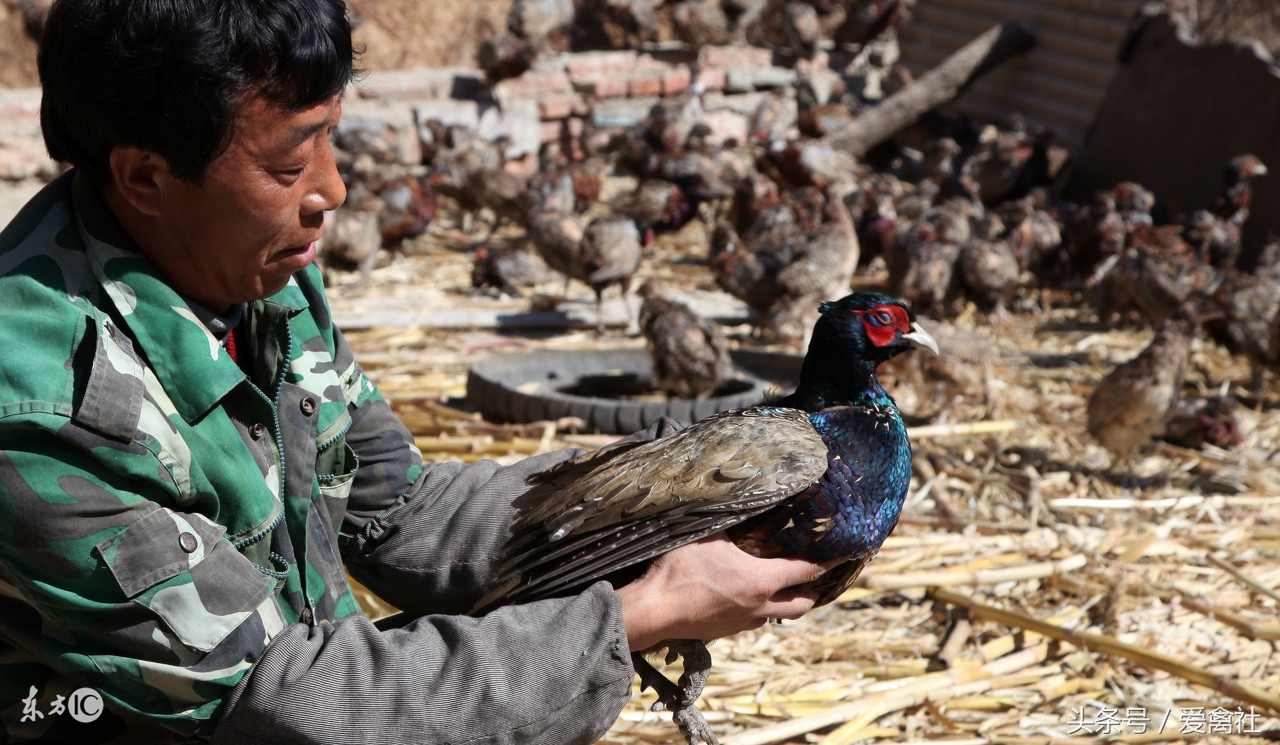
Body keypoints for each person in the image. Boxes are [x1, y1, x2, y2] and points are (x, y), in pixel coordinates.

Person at [0, 1, 834, 743]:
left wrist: (665, 496)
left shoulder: (249, 268)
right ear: (146, 177)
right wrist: (642, 612)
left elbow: (399, 508)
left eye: (331, 136)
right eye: (289, 165)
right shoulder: (47, 411)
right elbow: (291, 703)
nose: (333, 188)